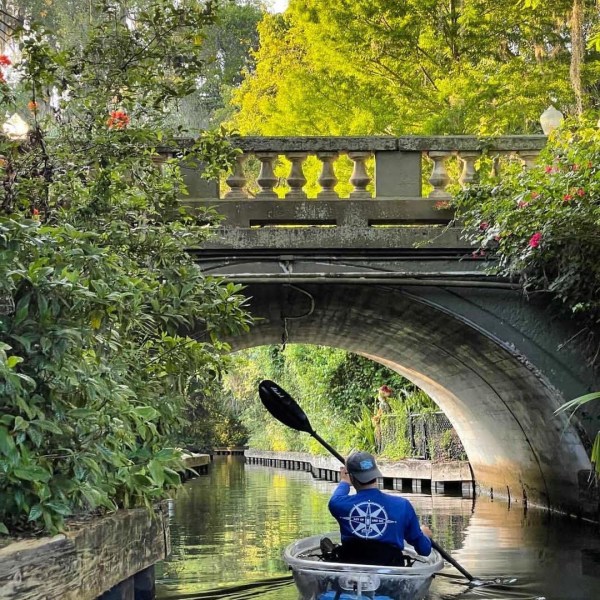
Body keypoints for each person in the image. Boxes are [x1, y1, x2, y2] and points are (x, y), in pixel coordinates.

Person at [327, 450, 432, 566]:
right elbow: (424, 550)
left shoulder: (338, 505)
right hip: (391, 575)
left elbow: (337, 496)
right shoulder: (403, 506)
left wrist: (344, 481)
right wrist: (425, 535)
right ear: (376, 473)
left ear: (351, 477)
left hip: (352, 574)